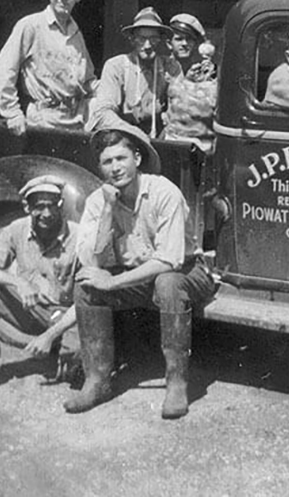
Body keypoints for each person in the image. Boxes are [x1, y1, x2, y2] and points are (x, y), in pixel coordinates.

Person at [64, 125, 217, 419]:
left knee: (168, 283)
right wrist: (108, 210)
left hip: (187, 273)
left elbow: (169, 260)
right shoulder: (99, 200)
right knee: (85, 287)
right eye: (107, 162)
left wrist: (114, 282)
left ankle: (176, 383)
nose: (115, 168)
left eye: (121, 159)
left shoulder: (163, 192)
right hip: (139, 277)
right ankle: (97, 381)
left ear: (137, 158)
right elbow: (92, 262)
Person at [0, 175, 80, 396]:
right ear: (27, 207)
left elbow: (85, 302)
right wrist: (18, 282)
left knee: (75, 373)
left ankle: (63, 353)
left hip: (69, 318)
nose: (47, 213)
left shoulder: (78, 236)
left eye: (52, 205)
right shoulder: (16, 230)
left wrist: (50, 335)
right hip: (31, 311)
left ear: (61, 205)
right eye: (39, 206)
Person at [0, 0, 96, 135]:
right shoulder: (31, 25)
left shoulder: (76, 34)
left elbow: (88, 82)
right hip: (43, 121)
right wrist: (12, 113)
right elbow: (3, 68)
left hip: (75, 122)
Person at [86, 7, 181, 138]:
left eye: (153, 39)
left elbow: (180, 112)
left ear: (161, 40)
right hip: (120, 137)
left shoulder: (169, 67)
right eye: (141, 39)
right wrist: (133, 134)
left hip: (158, 139)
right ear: (132, 39)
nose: (147, 46)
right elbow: (103, 112)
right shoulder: (116, 66)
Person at [162, 13, 218, 141]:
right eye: (179, 39)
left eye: (189, 39)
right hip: (169, 138)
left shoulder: (205, 71)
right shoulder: (161, 68)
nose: (184, 43)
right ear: (169, 44)